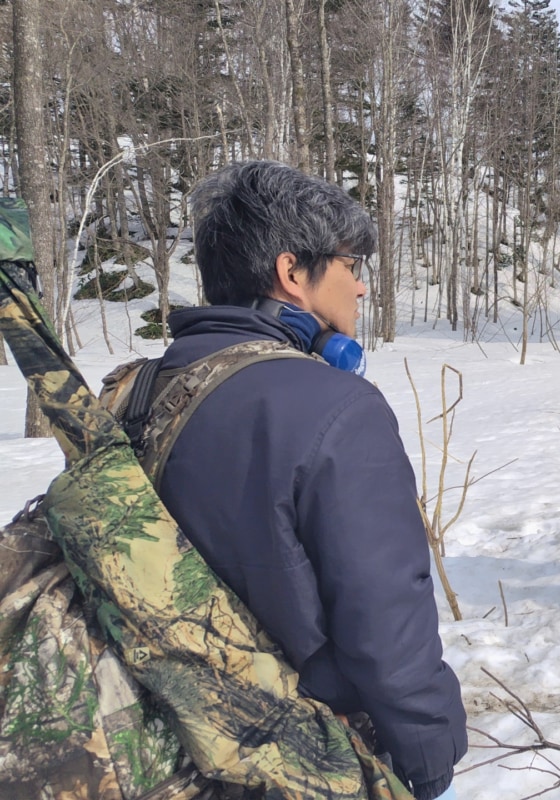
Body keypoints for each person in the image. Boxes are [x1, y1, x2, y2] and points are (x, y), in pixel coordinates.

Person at [156, 161, 466, 800]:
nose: (361, 287)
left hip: (167, 747)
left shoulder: (143, 391)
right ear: (292, 273)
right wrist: (430, 754)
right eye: (352, 265)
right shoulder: (336, 409)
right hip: (301, 756)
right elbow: (384, 616)